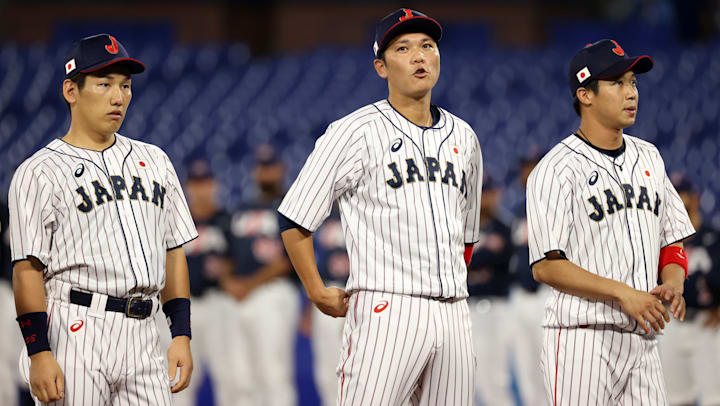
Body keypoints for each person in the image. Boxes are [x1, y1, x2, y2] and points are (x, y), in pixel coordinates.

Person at [279, 8, 483, 405]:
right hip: (387, 308)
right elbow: (294, 217)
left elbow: (467, 237)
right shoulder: (354, 131)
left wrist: (452, 286)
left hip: (454, 313)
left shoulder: (465, 136)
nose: (419, 56)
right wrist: (316, 290)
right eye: (403, 48)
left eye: (427, 46)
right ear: (381, 67)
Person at [8, 34, 197, 404]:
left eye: (125, 85)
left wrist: (181, 334)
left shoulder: (155, 160)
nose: (118, 97)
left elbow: (173, 251)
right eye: (104, 84)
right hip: (75, 329)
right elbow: (27, 269)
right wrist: (39, 352)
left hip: (144, 331)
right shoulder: (38, 171)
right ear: (71, 91)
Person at [527, 39, 695, 404]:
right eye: (617, 83)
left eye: (633, 82)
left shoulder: (649, 156)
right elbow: (546, 266)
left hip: (644, 339)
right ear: (585, 94)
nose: (631, 93)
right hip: (581, 338)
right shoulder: (555, 169)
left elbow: (672, 240)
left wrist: (673, 283)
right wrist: (624, 292)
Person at [220, 144, 299, 406]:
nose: (266, 173)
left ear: (281, 170)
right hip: (239, 296)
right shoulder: (241, 210)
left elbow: (289, 260)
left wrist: (249, 284)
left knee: (273, 374)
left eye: (270, 167)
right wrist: (228, 282)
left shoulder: (291, 207)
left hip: (273, 293)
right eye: (262, 168)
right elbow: (226, 255)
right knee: (242, 377)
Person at [170, 159, 235, 406]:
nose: (200, 189)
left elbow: (239, 261)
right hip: (183, 306)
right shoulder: (175, 220)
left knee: (227, 375)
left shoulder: (227, 221)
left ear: (214, 185)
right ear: (188, 187)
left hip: (218, 304)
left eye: (205, 182)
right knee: (179, 379)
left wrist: (227, 270)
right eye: (196, 183)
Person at [659, 175, 720, 406]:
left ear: (696, 199)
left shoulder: (714, 238)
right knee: (676, 399)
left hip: (708, 324)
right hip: (672, 322)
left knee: (715, 398)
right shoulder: (660, 243)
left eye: (682, 195)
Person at [466, 177, 514, 406]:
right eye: (481, 193)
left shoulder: (504, 226)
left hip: (496, 309)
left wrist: (474, 259)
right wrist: (483, 255)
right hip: (467, 311)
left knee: (496, 378)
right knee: (467, 380)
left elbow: (501, 258)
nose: (485, 198)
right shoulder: (462, 226)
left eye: (488, 193)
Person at [506, 152, 547, 406]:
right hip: (520, 297)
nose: (527, 173)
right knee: (525, 370)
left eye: (533, 167)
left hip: (547, 295)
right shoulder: (517, 212)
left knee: (550, 368)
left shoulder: (559, 205)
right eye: (525, 168)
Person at [308, 208, 349, 406]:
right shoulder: (320, 213)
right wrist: (310, 305)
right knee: (326, 372)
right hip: (328, 291)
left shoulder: (372, 205)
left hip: (362, 292)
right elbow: (315, 263)